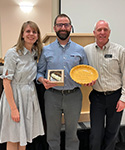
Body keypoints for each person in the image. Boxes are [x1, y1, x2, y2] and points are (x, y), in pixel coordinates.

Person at [37, 14, 88, 150]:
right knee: (52, 135)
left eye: (66, 24)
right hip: (52, 96)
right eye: (60, 25)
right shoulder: (46, 50)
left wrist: (87, 80)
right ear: (55, 28)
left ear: (71, 27)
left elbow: (86, 71)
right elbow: (39, 72)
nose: (63, 28)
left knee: (72, 134)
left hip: (74, 96)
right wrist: (43, 80)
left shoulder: (80, 50)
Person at [0, 21, 44, 150]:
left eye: (34, 32)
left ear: (38, 35)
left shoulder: (34, 53)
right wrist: (13, 108)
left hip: (29, 97)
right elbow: (6, 82)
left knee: (23, 138)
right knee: (13, 137)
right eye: (28, 31)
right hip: (14, 97)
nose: (31, 34)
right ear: (22, 34)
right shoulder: (12, 53)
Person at [84, 20, 125, 150]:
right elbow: (83, 71)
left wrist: (123, 99)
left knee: (112, 133)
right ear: (94, 33)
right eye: (99, 30)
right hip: (97, 98)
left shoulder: (120, 51)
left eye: (105, 30)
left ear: (109, 32)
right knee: (96, 133)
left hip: (116, 97)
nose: (102, 32)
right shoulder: (86, 51)